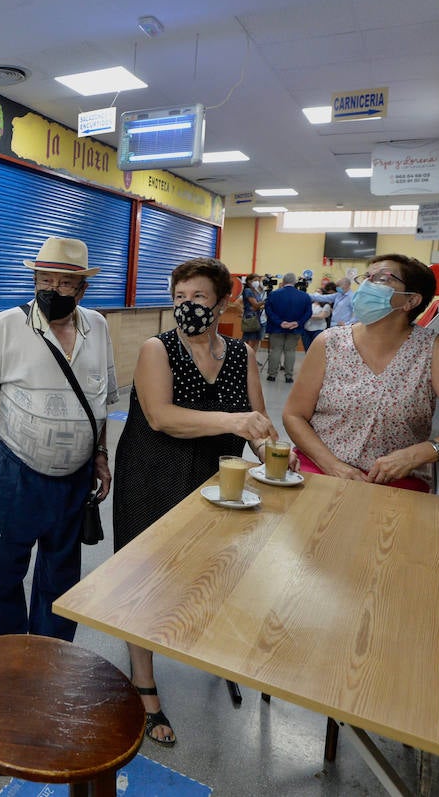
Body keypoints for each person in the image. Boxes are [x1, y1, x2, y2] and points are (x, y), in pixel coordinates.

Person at [112, 258, 277, 747]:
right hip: (152, 476)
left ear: (222, 301)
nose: (187, 307)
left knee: (207, 573)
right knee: (145, 577)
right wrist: (233, 421)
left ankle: (210, 649)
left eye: (199, 298)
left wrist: (273, 454)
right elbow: (161, 417)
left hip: (213, 482)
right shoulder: (155, 350)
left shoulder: (242, 355)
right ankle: (144, 685)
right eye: (180, 297)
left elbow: (257, 422)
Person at [0, 237, 117, 642]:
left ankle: (49, 664)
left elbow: (101, 401)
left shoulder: (98, 327)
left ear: (83, 289)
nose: (52, 290)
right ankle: (0, 664)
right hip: (17, 472)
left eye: (65, 283)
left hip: (75, 480)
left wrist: (100, 456)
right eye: (44, 279)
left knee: (61, 578)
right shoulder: (8, 323)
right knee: (3, 576)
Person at [283, 254, 439, 492]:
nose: (366, 286)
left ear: (411, 301)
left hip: (395, 485)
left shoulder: (433, 351)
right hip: (321, 471)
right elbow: (294, 415)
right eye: (367, 277)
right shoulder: (329, 343)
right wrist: (333, 466)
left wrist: (419, 454)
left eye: (382, 279)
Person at [264, 272, 310, 382]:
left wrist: (280, 322)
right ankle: (289, 376)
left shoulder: (273, 294)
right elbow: (308, 312)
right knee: (290, 351)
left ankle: (272, 375)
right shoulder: (304, 296)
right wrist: (297, 323)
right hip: (295, 329)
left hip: (276, 328)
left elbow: (268, 311)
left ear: (283, 281)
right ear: (295, 282)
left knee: (276, 350)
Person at [241, 274, 265, 351]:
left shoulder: (256, 292)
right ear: (249, 281)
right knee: (249, 340)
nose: (257, 282)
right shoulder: (248, 290)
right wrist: (266, 301)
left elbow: (257, 306)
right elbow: (255, 304)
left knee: (256, 340)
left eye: (258, 280)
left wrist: (263, 305)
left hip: (257, 318)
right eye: (255, 280)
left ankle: (252, 358)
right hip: (251, 319)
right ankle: (246, 358)